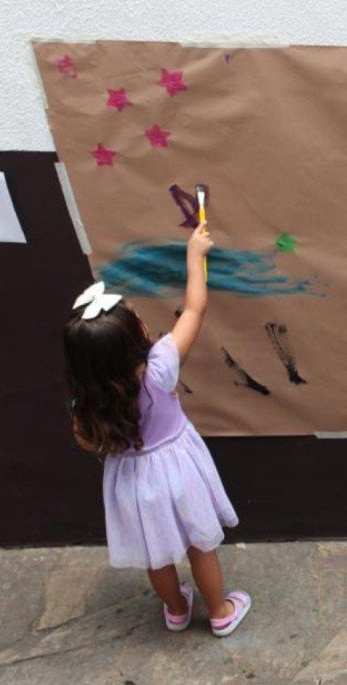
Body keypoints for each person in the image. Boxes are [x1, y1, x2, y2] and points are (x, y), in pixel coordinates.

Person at [63, 223, 250, 637]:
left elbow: (86, 437)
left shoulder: (88, 400)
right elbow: (195, 309)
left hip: (132, 482)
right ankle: (219, 611)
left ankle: (177, 609)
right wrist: (194, 254)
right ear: (138, 339)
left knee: (157, 555)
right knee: (200, 544)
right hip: (179, 471)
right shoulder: (161, 367)